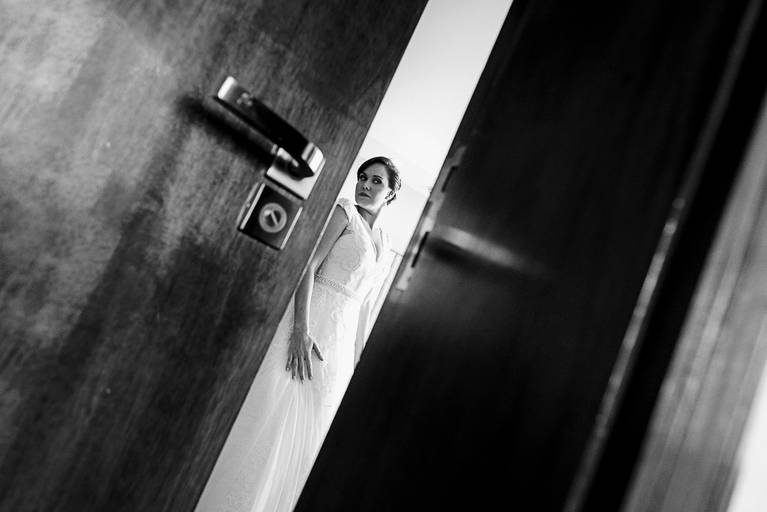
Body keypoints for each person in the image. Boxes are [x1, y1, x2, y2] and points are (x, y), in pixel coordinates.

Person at [195, 157, 402, 512]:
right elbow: (309, 265)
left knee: (310, 434)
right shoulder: (345, 213)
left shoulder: (385, 240)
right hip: (310, 324)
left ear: (392, 193)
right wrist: (300, 329)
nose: (365, 185)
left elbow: (366, 308)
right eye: (363, 177)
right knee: (275, 412)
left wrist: (359, 363)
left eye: (376, 181)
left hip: (340, 346)